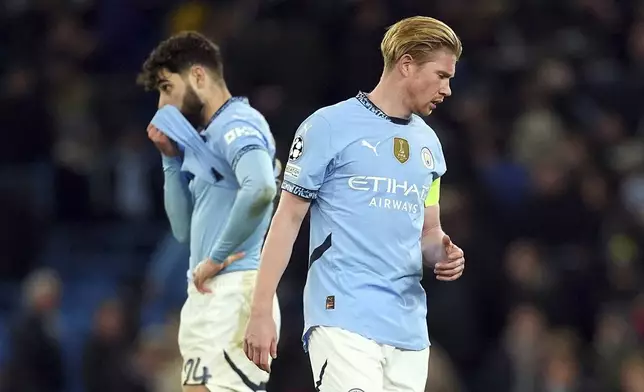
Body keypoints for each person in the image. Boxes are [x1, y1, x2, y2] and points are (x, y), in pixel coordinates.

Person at [243, 16, 466, 391]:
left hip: (408, 325)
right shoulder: (328, 127)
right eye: (442, 76)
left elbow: (429, 232)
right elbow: (286, 221)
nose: (447, 89)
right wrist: (261, 310)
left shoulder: (430, 146)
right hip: (341, 312)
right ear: (407, 64)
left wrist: (442, 253)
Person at [137, 31, 281, 392]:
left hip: (234, 290)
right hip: (209, 293)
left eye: (167, 89)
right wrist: (171, 162)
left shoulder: (238, 123)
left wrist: (216, 257)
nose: (161, 105)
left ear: (198, 77)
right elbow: (183, 232)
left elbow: (262, 187)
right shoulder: (209, 138)